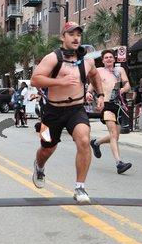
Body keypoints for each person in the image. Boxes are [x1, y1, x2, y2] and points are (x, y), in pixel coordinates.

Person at [30, 21, 104, 204]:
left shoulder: (87, 61)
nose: (76, 38)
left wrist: (101, 94)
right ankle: (39, 166)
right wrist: (60, 82)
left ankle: (80, 187)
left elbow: (94, 75)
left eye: (78, 35)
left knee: (84, 140)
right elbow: (35, 80)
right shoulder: (52, 58)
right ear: (63, 37)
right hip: (52, 111)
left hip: (76, 109)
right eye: (71, 34)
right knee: (47, 147)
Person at [89, 49, 132, 174]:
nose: (108, 59)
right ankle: (119, 163)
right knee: (113, 134)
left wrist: (123, 89)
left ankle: (96, 143)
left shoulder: (120, 70)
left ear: (114, 59)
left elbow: (127, 84)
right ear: (102, 60)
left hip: (117, 105)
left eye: (110, 57)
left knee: (115, 136)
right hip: (106, 104)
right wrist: (88, 93)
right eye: (106, 57)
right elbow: (92, 85)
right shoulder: (98, 71)